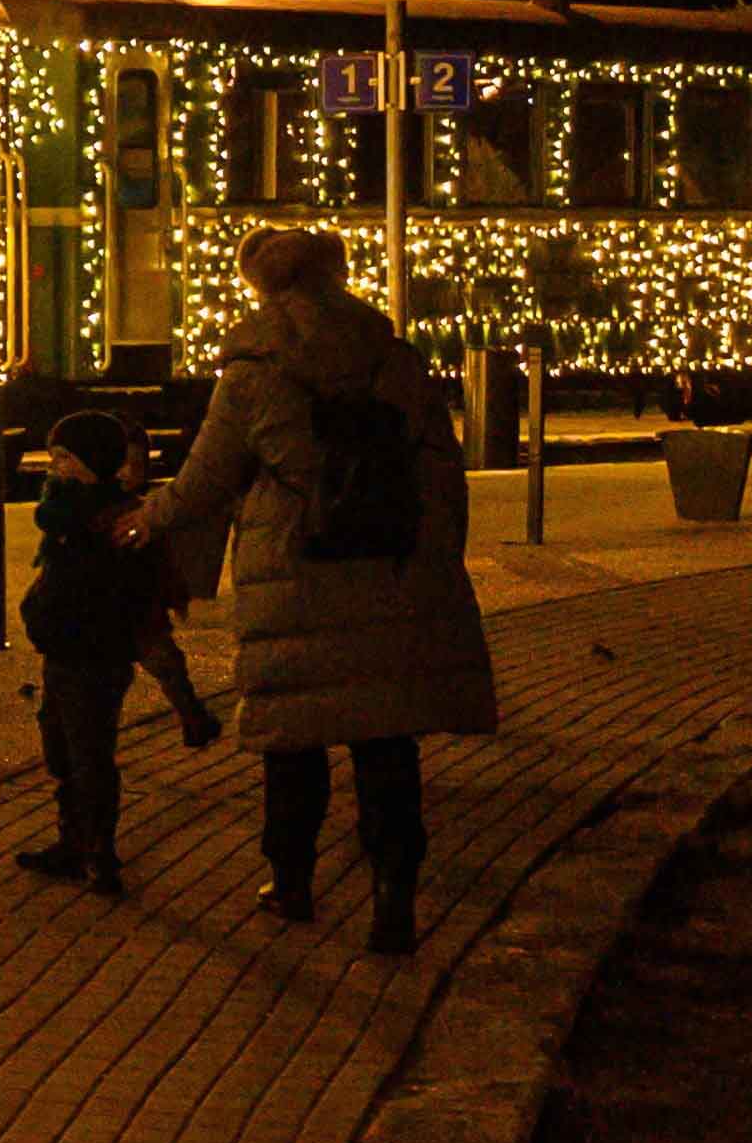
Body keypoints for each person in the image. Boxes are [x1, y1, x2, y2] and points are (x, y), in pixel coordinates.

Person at [129, 223, 497, 952]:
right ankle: (392, 892)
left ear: (263, 286)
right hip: (391, 572)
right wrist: (435, 555)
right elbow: (442, 471)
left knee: (293, 743)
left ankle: (290, 882)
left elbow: (205, 480)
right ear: (335, 276)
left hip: (292, 577)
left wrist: (147, 518)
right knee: (385, 743)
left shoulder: (254, 370)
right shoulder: (394, 358)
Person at [10, 405, 208, 891]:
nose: (55, 467)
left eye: (65, 458)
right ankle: (74, 840)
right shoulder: (64, 513)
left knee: (89, 755)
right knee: (61, 749)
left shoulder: (113, 522)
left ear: (92, 462)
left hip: (98, 657)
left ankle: (98, 850)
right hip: (63, 654)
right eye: (54, 457)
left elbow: (138, 606)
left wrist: (181, 698)